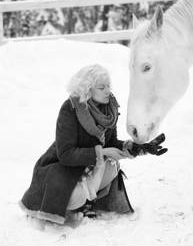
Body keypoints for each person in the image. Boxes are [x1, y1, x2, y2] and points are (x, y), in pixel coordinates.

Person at [19, 64, 167, 225]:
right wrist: (102, 153)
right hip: (59, 169)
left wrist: (140, 148)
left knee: (111, 166)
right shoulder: (70, 108)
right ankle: (76, 203)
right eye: (101, 87)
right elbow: (66, 155)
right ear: (87, 89)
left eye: (108, 86)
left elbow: (112, 143)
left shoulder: (109, 109)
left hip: (85, 167)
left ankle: (87, 202)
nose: (107, 91)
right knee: (77, 194)